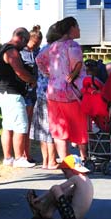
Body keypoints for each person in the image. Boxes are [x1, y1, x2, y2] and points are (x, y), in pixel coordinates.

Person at [36, 16, 89, 164]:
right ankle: (84, 158)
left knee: (59, 128)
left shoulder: (52, 46)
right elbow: (77, 64)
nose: (79, 29)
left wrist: (50, 73)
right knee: (79, 126)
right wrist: (72, 75)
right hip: (70, 92)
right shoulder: (72, 45)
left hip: (53, 91)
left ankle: (65, 161)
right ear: (71, 28)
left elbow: (39, 60)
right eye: (77, 26)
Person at [0, 27, 38, 167]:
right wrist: (32, 80)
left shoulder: (4, 48)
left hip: (4, 92)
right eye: (25, 41)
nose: (25, 45)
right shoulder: (11, 51)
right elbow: (20, 71)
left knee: (8, 126)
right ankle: (19, 158)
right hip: (12, 93)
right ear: (20, 38)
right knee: (21, 125)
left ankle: (8, 158)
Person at [26, 154, 94, 219]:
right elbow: (66, 192)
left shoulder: (76, 178)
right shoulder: (86, 179)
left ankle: (40, 206)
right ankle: (47, 213)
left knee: (56, 188)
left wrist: (39, 198)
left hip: (71, 216)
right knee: (63, 192)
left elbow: (56, 188)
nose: (65, 176)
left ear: (72, 170)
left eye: (65, 172)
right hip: (77, 217)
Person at [23, 26, 53, 168]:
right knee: (26, 123)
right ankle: (24, 154)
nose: (35, 47)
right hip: (28, 90)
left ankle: (30, 154)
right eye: (33, 44)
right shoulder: (22, 53)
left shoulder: (38, 52)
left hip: (36, 91)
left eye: (37, 45)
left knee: (34, 123)